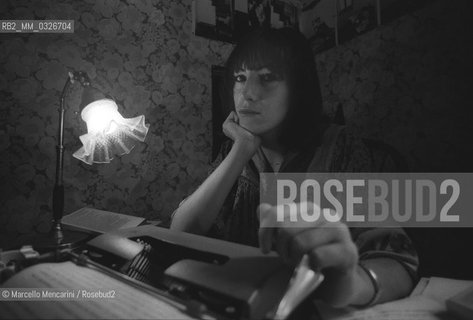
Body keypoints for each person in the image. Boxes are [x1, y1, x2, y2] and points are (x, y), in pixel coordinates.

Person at [171, 27, 418, 308]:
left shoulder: (339, 148)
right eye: (240, 78)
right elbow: (181, 232)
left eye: (267, 78)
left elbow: (399, 262)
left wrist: (347, 283)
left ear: (299, 89)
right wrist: (241, 148)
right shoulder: (236, 151)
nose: (247, 94)